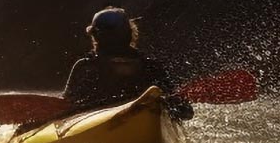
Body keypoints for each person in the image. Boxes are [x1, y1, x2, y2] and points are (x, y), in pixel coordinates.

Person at [61, 7, 193, 120]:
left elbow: (65, 106)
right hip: (128, 123)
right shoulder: (152, 67)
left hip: (102, 123)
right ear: (130, 34)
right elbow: (186, 112)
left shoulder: (85, 67)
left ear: (95, 37)